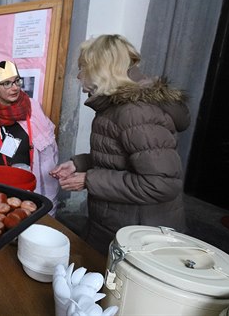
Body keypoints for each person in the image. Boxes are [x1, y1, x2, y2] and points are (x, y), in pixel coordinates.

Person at [50, 34, 190, 255]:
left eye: (83, 68)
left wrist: (90, 179)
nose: (79, 76)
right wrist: (79, 164)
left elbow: (161, 184)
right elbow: (121, 157)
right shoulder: (117, 106)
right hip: (119, 223)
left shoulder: (135, 112)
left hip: (140, 235)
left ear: (101, 70)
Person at [0, 60, 60, 215]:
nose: (14, 88)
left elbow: (48, 155)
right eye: (6, 83)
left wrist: (47, 202)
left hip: (26, 190)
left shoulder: (33, 108)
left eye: (16, 81)